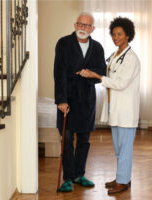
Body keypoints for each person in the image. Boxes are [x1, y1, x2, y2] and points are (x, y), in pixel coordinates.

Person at [77, 17, 140, 194]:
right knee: (119, 148)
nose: (115, 37)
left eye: (119, 34)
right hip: (115, 108)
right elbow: (106, 72)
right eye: (113, 34)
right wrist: (90, 71)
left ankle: (122, 180)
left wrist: (96, 77)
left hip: (126, 109)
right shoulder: (115, 55)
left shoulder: (131, 58)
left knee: (125, 148)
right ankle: (122, 178)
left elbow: (121, 83)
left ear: (128, 35)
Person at [54, 12, 107, 192]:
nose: (82, 28)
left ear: (92, 29)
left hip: (87, 99)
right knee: (67, 139)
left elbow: (102, 72)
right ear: (75, 25)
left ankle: (79, 174)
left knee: (84, 139)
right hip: (67, 99)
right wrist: (61, 100)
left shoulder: (97, 48)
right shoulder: (63, 43)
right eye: (80, 24)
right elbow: (58, 72)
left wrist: (90, 74)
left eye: (86, 25)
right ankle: (68, 177)